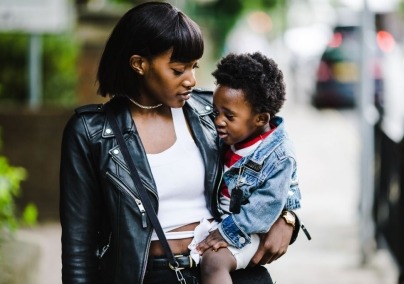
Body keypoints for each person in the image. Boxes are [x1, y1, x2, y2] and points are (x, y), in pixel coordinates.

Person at [60, 2, 301, 284]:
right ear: (139, 64)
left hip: (228, 269)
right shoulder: (91, 132)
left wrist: (288, 217)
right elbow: (79, 243)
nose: (191, 80)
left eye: (194, 67)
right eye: (178, 70)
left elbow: (273, 157)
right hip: (149, 275)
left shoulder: (210, 112)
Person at [186, 52, 301, 284]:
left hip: (248, 229)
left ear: (260, 119)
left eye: (229, 116)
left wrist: (226, 232)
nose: (218, 121)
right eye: (216, 112)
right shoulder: (230, 136)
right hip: (224, 221)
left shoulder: (278, 155)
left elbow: (267, 206)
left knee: (213, 262)